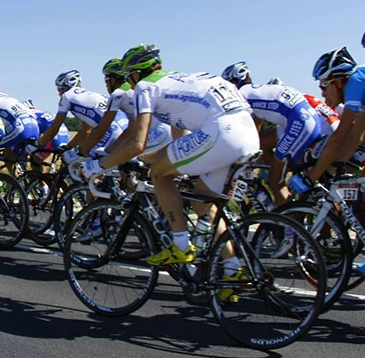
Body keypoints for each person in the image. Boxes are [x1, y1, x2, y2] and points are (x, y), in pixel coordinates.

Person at [84, 45, 260, 270]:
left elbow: (137, 142)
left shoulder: (145, 86)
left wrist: (98, 166)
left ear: (136, 74)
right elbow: (180, 139)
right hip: (247, 133)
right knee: (203, 202)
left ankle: (180, 245)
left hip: (221, 132)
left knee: (159, 173)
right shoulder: (177, 83)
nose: (130, 83)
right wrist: (153, 156)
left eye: (129, 77)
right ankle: (232, 269)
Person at [221, 61, 321, 205]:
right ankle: (277, 171)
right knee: (263, 144)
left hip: (299, 122)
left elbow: (242, 131)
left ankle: (288, 218)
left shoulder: (241, 96)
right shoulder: (254, 92)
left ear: (234, 83)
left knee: (275, 180)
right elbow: (255, 132)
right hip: (303, 118)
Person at [292, 47, 365, 191]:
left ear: (337, 82)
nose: (322, 94)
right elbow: (355, 136)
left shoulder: (355, 83)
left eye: (323, 86)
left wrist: (311, 177)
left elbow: (339, 137)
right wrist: (335, 166)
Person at [38, 69, 128, 159]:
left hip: (111, 129)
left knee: (77, 160)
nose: (59, 93)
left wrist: (38, 143)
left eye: (59, 89)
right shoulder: (87, 96)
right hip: (125, 126)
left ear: (64, 87)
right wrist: (68, 146)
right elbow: (85, 132)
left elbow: (55, 127)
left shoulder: (67, 97)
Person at [0, 77, 42, 167]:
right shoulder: (6, 97)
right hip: (34, 126)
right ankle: (20, 175)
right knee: (9, 158)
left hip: (19, 127)